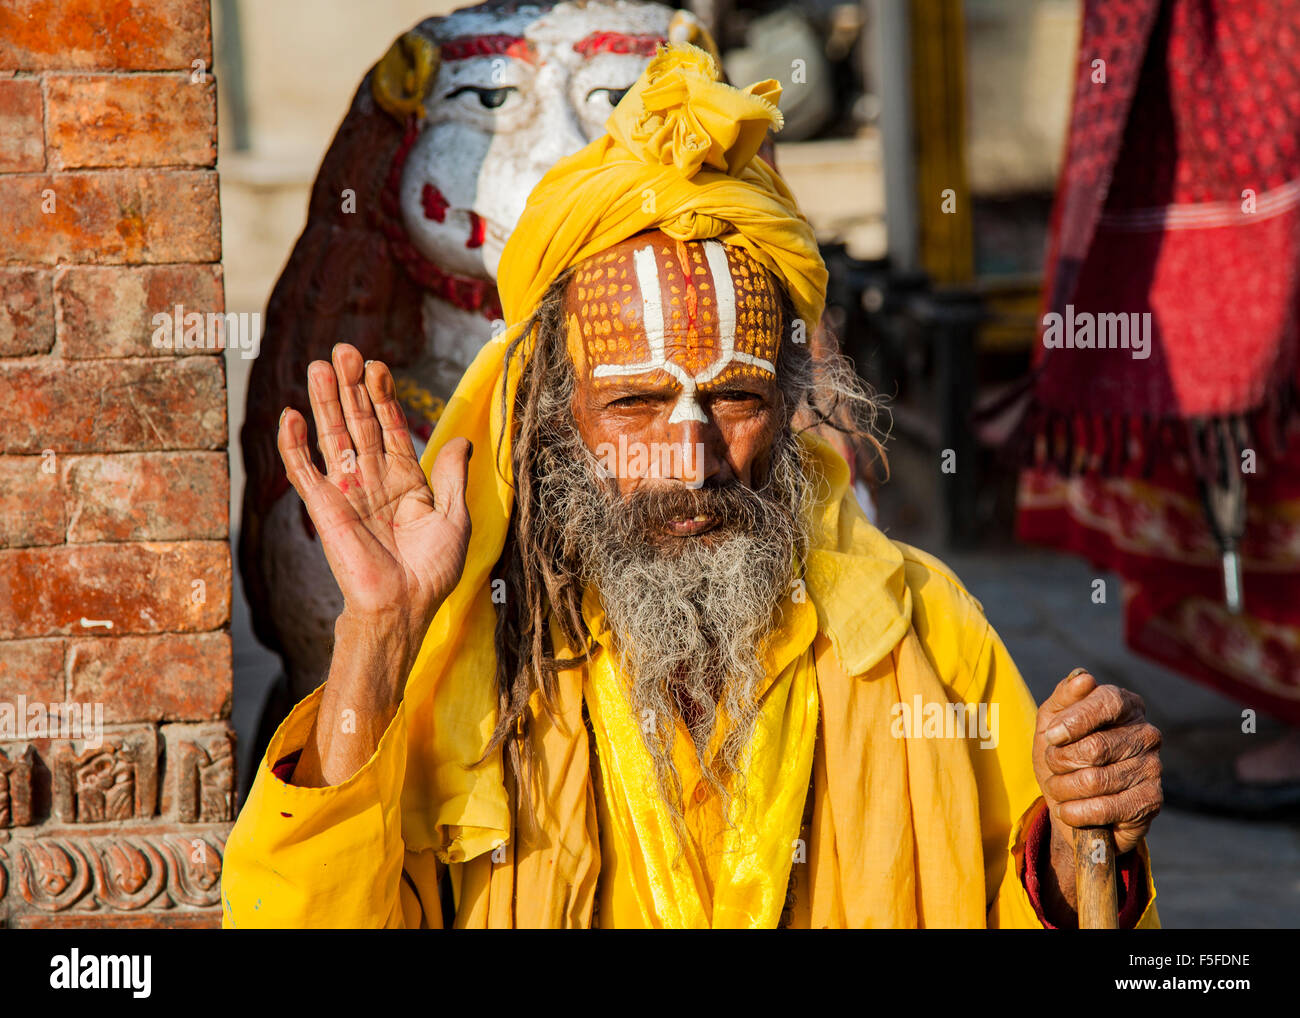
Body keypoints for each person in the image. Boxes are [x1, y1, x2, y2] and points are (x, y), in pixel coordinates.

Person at [220, 44, 1162, 929]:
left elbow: (1036, 898)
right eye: (632, 403)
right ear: (551, 417)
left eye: (736, 398)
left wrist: (1081, 842)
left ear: (792, 404)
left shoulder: (918, 626)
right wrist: (378, 634)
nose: (692, 456)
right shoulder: (474, 664)